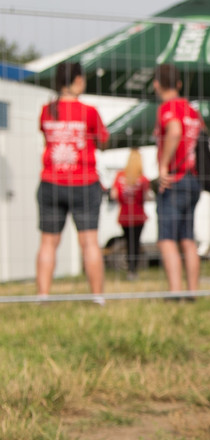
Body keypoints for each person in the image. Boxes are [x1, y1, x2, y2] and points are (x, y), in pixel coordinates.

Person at [36, 61, 109, 303]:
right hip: (84, 182)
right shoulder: (88, 112)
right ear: (78, 80)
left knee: (48, 242)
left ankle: (43, 296)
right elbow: (102, 141)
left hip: (52, 181)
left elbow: (46, 137)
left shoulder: (47, 110)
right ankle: (97, 297)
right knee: (89, 241)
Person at [153, 63, 203, 298]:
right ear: (179, 84)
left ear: (156, 84)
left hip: (175, 179)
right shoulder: (192, 110)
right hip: (193, 179)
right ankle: (193, 292)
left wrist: (163, 166)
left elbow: (174, 131)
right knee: (187, 238)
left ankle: (175, 293)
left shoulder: (168, 107)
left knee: (166, 239)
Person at [110, 149, 153, 280]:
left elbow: (113, 194)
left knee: (128, 242)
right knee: (136, 243)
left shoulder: (119, 176)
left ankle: (130, 269)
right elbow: (146, 197)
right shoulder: (143, 179)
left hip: (124, 215)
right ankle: (133, 270)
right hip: (138, 216)